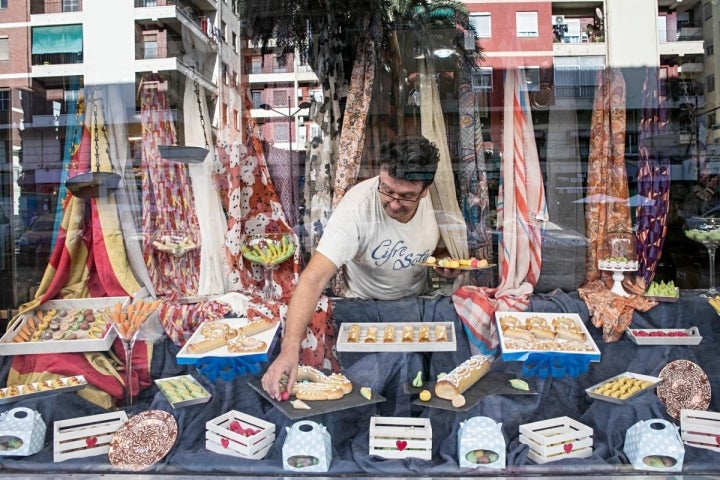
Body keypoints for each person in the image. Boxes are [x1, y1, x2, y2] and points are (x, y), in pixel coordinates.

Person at [262, 134, 461, 400]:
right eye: (387, 190)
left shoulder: (439, 202)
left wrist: (444, 261)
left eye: (406, 197)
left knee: (418, 392)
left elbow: (439, 245)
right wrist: (289, 350)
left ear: (425, 191)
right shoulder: (357, 207)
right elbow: (314, 278)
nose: (393, 203)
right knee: (368, 395)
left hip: (416, 306)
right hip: (365, 309)